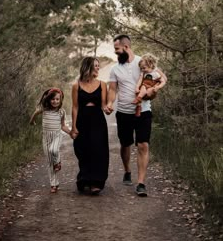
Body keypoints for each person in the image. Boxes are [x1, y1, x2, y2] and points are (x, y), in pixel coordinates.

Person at [104, 35, 167, 197]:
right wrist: (110, 103)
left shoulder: (143, 62)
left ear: (126, 47)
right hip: (124, 112)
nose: (115, 53)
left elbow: (160, 78)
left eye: (117, 49)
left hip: (144, 111)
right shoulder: (115, 69)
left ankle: (141, 183)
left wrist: (154, 90)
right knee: (125, 144)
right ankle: (127, 170)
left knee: (143, 145)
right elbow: (112, 89)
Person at [71, 56, 109, 195]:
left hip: (97, 120)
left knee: (98, 150)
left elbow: (104, 105)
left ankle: (96, 182)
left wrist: (107, 109)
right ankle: (84, 178)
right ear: (88, 67)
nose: (98, 68)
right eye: (96, 65)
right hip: (82, 119)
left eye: (99, 66)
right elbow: (75, 107)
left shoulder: (103, 85)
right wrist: (74, 127)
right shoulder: (76, 86)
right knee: (82, 150)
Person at [30, 88, 70, 193]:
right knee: (49, 163)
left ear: (61, 100)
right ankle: (54, 184)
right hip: (46, 138)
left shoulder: (61, 112)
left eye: (57, 99)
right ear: (48, 99)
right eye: (53, 99)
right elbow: (35, 113)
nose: (55, 101)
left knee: (54, 150)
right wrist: (32, 121)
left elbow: (63, 126)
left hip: (57, 136)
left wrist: (71, 133)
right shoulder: (44, 109)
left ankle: (58, 161)